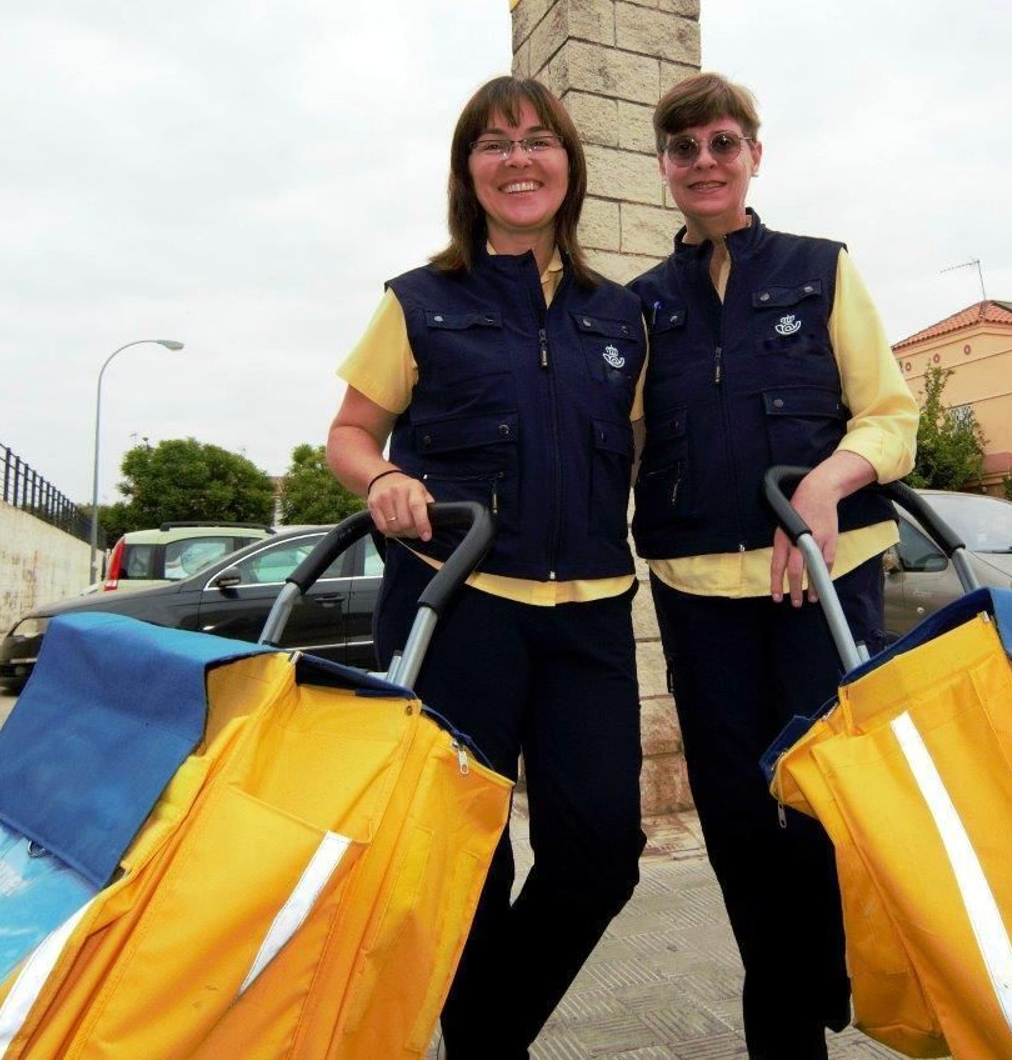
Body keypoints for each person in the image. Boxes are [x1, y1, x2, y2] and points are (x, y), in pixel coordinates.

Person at [325, 76, 647, 1059]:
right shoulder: (417, 301)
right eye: (495, 143)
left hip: (592, 615)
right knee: (465, 863)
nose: (519, 159)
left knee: (601, 854)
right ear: (468, 172)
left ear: (568, 166)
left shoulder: (619, 316)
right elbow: (349, 433)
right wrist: (383, 477)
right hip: (457, 610)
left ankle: (484, 1039)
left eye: (538, 140)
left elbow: (645, 454)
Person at [629, 72, 918, 1059]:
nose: (704, 162)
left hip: (825, 586)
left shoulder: (821, 268)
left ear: (754, 153)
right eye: (684, 149)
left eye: (723, 143)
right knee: (739, 822)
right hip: (699, 592)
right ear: (664, 166)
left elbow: (890, 418)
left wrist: (827, 484)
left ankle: (827, 971)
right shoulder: (640, 306)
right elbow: (611, 441)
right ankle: (785, 1024)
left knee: (827, 810)